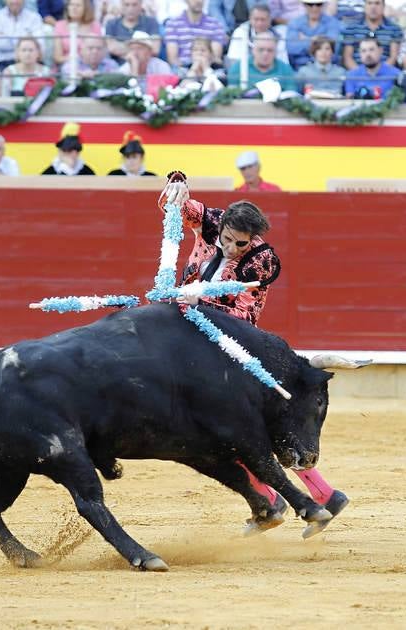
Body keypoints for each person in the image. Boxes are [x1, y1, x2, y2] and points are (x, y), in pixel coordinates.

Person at [159, 172, 349, 536]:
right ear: (222, 225)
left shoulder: (262, 261)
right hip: (189, 331)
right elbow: (175, 209)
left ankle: (279, 501)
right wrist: (176, 187)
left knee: (232, 431)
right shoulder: (211, 222)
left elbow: (244, 314)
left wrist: (202, 298)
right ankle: (319, 495)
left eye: (240, 244)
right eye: (227, 240)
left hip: (233, 342)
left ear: (254, 239)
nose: (231, 248)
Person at [342, 0, 403, 70]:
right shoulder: (351, 28)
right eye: (369, 3)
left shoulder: (394, 29)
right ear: (364, 6)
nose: (373, 7)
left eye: (377, 3)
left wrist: (378, 75)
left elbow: (393, 57)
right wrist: (361, 75)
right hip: (358, 77)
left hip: (385, 76)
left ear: (383, 6)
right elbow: (347, 58)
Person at [165, 0, 228, 67]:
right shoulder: (173, 24)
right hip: (182, 71)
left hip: (208, 70)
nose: (199, 1)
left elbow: (216, 58)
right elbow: (172, 60)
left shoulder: (215, 24)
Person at [226, 31, 298, 91]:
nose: (265, 54)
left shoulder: (285, 70)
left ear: (276, 52)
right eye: (261, 50)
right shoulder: (238, 67)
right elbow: (232, 94)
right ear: (253, 50)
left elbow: (292, 95)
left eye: (270, 50)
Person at [285, 0, 342, 70]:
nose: (314, 8)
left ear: (323, 5)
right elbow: (291, 48)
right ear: (304, 5)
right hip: (300, 68)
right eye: (310, 4)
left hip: (327, 69)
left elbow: (335, 47)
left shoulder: (333, 22)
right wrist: (319, 42)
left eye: (318, 4)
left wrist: (306, 40)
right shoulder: (294, 23)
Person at [0, 0, 46, 70]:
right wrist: (26, 39)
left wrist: (7, 37)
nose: (15, 1)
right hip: (3, 63)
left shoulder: (34, 17)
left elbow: (39, 44)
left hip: (30, 62)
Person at [105, 0, 161, 64]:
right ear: (121, 5)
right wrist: (142, 48)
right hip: (118, 69)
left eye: (134, 5)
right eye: (127, 5)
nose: (130, 9)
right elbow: (112, 48)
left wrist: (121, 47)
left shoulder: (151, 22)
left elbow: (155, 49)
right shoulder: (111, 24)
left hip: (146, 67)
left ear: (141, 4)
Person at [53, 0, 103, 66]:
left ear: (85, 8)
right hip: (68, 65)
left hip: (91, 65)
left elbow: (100, 51)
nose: (74, 8)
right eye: (71, 5)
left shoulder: (95, 26)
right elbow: (57, 57)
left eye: (78, 5)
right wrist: (76, 60)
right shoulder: (59, 25)